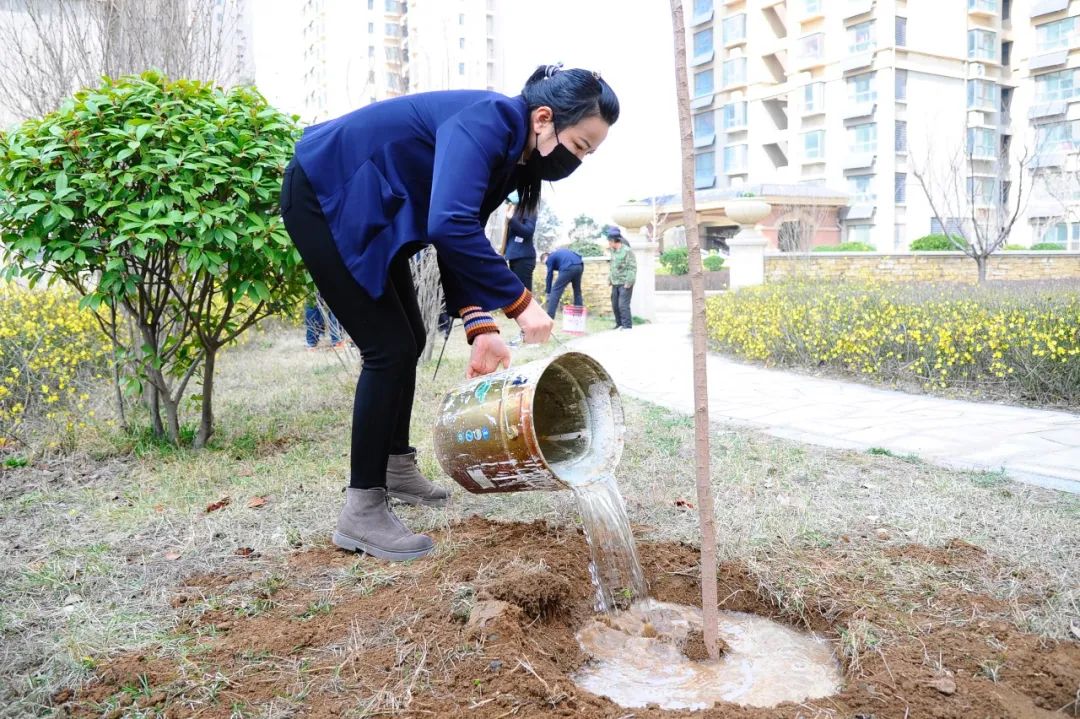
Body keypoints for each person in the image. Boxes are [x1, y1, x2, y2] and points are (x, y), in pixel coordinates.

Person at [280, 64, 619, 561]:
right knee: (388, 348)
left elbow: (461, 237)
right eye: (580, 145)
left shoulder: (512, 155)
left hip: (373, 206)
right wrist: (520, 303)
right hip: (326, 192)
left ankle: (395, 466)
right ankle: (362, 509)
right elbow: (448, 223)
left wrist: (481, 326)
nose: (578, 160)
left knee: (409, 340)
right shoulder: (491, 119)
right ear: (544, 118)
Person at [503, 199, 537, 293]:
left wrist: (511, 219)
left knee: (523, 295)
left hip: (523, 258)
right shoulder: (511, 208)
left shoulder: (529, 208)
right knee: (516, 293)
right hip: (514, 257)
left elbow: (528, 231)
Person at [606, 228, 636, 330]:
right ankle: (619, 324)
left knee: (623, 305)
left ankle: (627, 326)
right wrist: (610, 279)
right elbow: (612, 266)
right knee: (615, 305)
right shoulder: (613, 251)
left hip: (625, 282)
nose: (609, 243)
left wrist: (629, 281)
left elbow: (632, 267)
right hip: (615, 282)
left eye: (610, 241)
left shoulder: (627, 251)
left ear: (614, 241)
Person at [541, 247, 585, 318]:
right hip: (579, 265)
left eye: (545, 263)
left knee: (555, 291)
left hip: (568, 267)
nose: (547, 265)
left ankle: (549, 317)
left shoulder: (550, 258)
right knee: (577, 291)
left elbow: (549, 275)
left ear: (545, 257)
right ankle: (578, 316)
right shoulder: (558, 254)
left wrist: (548, 292)